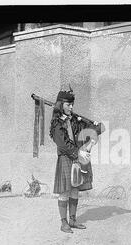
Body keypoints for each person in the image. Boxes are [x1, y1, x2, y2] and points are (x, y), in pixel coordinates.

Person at [49, 88, 104, 233]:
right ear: (61, 105)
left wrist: (96, 127)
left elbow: (90, 131)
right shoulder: (56, 123)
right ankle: (63, 223)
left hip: (77, 157)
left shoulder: (75, 120)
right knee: (64, 192)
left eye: (72, 104)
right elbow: (62, 144)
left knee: (75, 190)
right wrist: (78, 153)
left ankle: (73, 220)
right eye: (68, 104)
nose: (71, 107)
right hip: (66, 158)